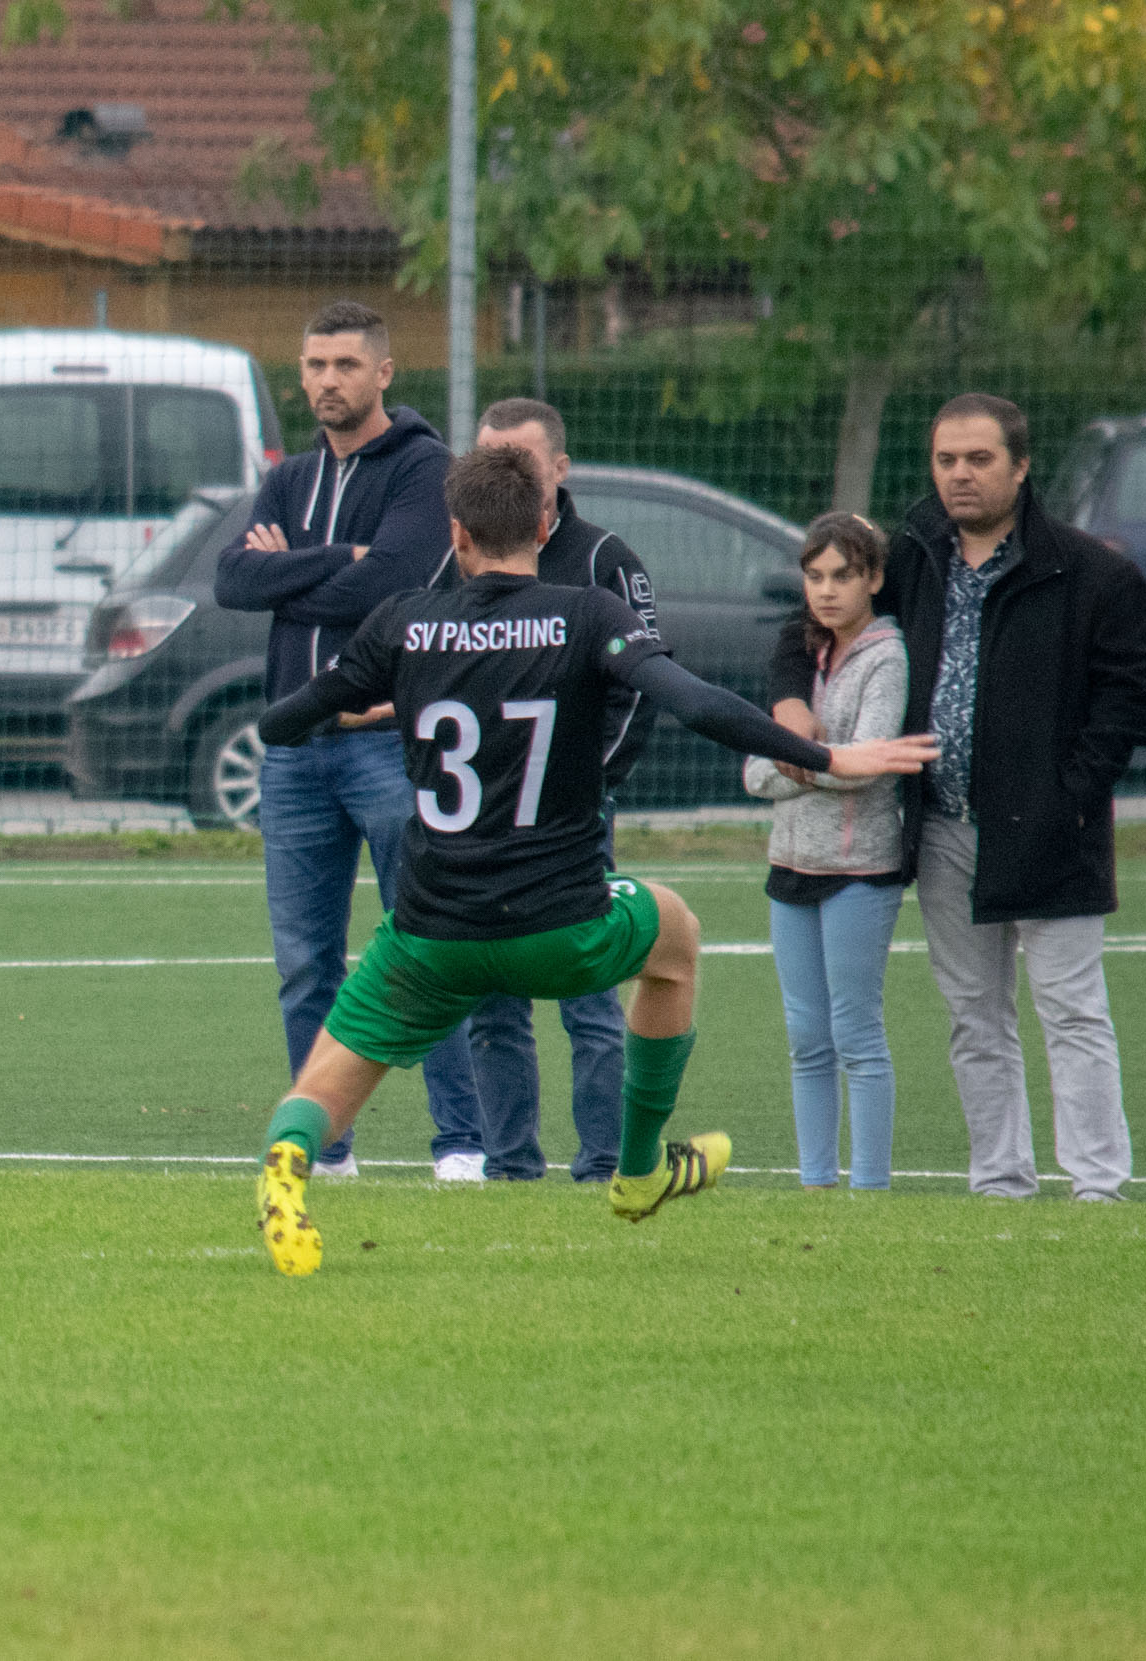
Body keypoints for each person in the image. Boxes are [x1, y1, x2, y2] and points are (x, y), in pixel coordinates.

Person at [248, 445, 935, 1275]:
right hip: (561, 924)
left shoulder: (402, 620)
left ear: (456, 534)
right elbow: (693, 702)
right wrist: (826, 757)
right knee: (675, 936)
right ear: (542, 526)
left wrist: (370, 701)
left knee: (326, 1077)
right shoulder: (584, 613)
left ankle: (287, 1162)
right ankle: (638, 1168)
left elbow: (284, 721)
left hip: (432, 929)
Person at [770, 393, 1146, 1202]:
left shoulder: (1091, 572)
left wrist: (1070, 794)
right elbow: (808, 623)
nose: (959, 474)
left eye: (978, 459)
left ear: (1020, 467)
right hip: (944, 828)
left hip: (1052, 831)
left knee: (1071, 1011)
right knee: (973, 1015)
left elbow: (1135, 700)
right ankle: (999, 1179)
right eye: (945, 459)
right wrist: (789, 708)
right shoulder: (912, 555)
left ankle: (1096, 1185)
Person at [213, 299, 484, 1180]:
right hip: (294, 753)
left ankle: (461, 1145)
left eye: (345, 365)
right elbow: (231, 580)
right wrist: (342, 560)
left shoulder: (423, 467)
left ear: (383, 373)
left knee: (424, 943)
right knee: (304, 964)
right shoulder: (289, 477)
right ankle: (324, 1149)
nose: (327, 380)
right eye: (314, 365)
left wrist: (288, 571)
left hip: (387, 745)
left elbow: (393, 587)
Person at [434, 397, 660, 1183]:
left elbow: (643, 689)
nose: (502, 473)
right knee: (490, 1000)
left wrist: (586, 785)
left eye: (520, 461)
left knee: (588, 996)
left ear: (559, 470)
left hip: (568, 821)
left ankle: (602, 1165)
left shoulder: (604, 562)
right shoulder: (458, 556)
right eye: (487, 457)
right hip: (482, 822)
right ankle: (509, 1167)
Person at [743, 513, 909, 1192]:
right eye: (814, 576)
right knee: (806, 1038)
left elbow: (864, 768)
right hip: (790, 866)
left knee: (856, 1036)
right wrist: (816, 760)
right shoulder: (803, 653)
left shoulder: (887, 657)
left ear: (873, 578)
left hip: (858, 871)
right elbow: (752, 772)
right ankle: (815, 1183)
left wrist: (799, 761)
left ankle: (868, 1188)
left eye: (843, 575)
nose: (827, 590)